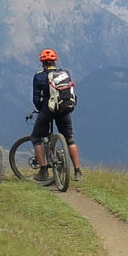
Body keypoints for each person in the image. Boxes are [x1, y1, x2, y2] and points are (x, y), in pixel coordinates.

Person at [29, 48, 82, 182]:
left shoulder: (38, 76)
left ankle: (43, 171)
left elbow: (36, 99)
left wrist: (41, 110)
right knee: (69, 139)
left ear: (42, 63)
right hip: (64, 109)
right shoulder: (65, 73)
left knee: (36, 137)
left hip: (47, 110)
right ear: (55, 61)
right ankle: (77, 171)